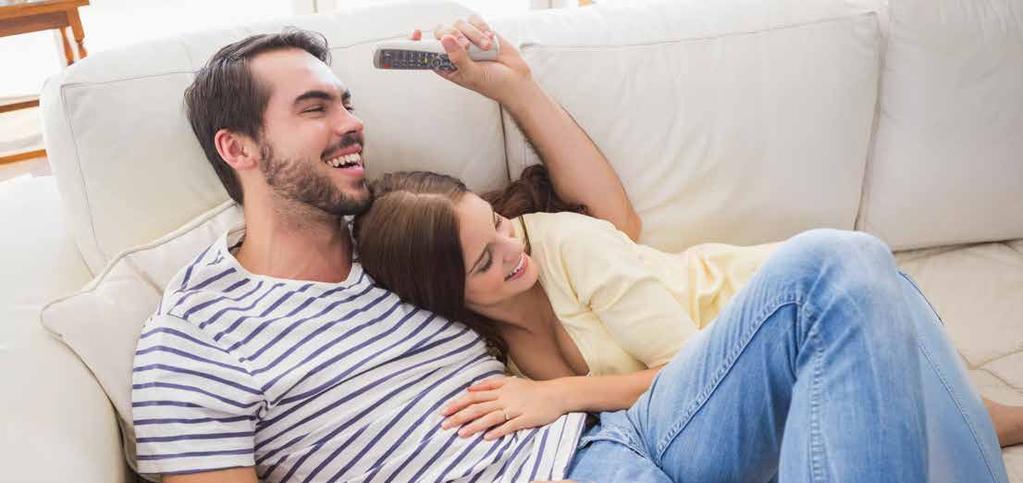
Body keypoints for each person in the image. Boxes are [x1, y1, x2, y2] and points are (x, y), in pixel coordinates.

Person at [130, 15, 1011, 483]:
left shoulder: (392, 240)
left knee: (839, 261)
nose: (352, 119)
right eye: (313, 109)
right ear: (239, 150)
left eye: (346, 99)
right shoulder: (194, 338)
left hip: (620, 436)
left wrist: (516, 89)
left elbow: (598, 225)